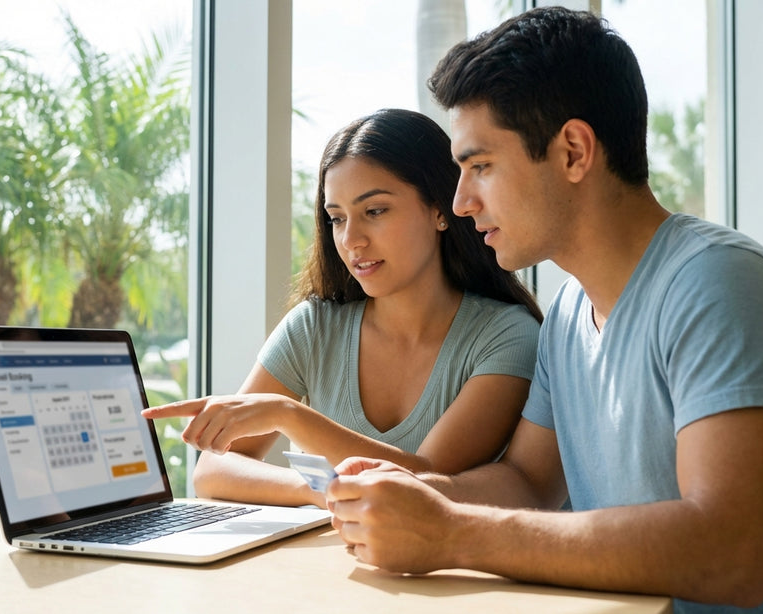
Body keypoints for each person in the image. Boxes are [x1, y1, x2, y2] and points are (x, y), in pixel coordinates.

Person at [325, 8, 763, 613]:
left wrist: (452, 533)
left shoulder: (721, 285)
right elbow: (529, 482)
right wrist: (418, 494)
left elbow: (730, 554)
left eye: (480, 166)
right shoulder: (568, 316)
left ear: (572, 152)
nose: (460, 202)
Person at [142, 108, 543, 509]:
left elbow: (421, 482)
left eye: (375, 211)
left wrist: (289, 415)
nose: (352, 239)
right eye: (336, 218)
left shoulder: (507, 336)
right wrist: (319, 490)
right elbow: (213, 471)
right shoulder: (314, 326)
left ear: (440, 209)